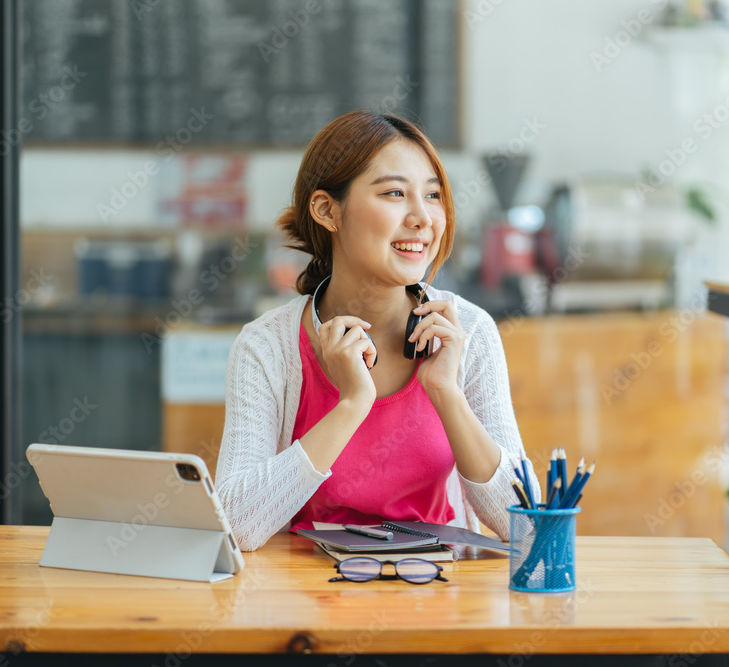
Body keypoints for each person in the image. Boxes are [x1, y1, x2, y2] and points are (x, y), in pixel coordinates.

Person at [215, 110, 540, 551]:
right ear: (328, 210)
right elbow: (235, 524)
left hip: (438, 599)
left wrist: (446, 392)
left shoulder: (471, 332)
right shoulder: (266, 345)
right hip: (306, 602)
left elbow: (527, 523)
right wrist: (352, 405)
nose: (423, 217)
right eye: (394, 193)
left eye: (433, 196)